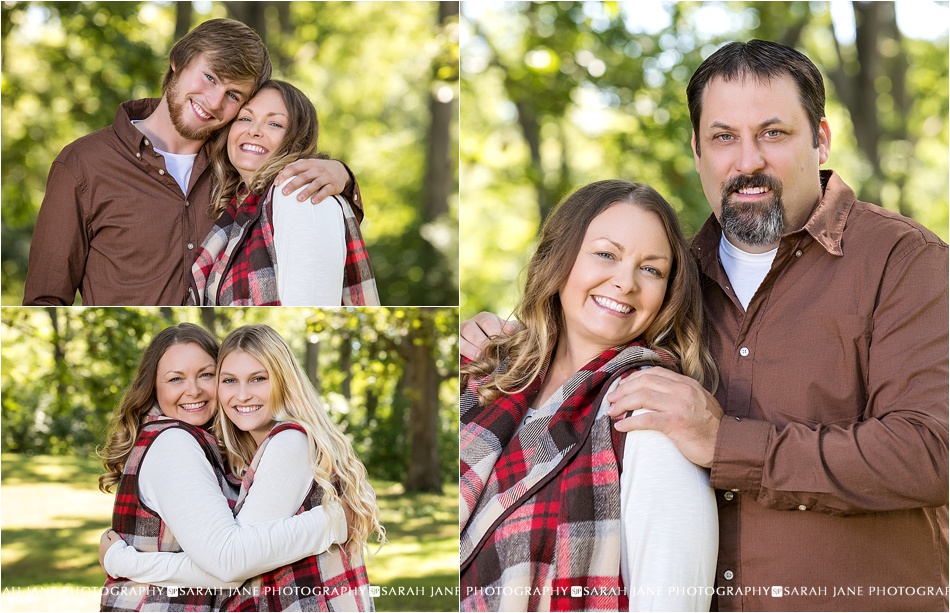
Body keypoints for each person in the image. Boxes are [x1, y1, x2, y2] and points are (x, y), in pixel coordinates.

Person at [462, 40, 949, 611]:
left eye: (773, 133)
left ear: (819, 139)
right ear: (697, 150)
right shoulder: (669, 279)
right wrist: (509, 343)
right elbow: (582, 357)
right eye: (723, 138)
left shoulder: (903, 259)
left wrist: (726, 443)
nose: (747, 162)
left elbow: (932, 453)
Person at [460, 180, 718, 612]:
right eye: (606, 254)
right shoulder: (484, 380)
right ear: (559, 257)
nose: (625, 282)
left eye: (651, 269)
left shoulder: (650, 414)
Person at [24, 18, 362, 306]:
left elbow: (306, 228)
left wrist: (342, 175)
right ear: (178, 61)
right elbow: (45, 300)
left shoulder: (238, 163)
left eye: (234, 95)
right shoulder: (84, 164)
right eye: (210, 77)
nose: (214, 102)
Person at [106, 324, 382, 611]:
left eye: (206, 375)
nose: (242, 395)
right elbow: (232, 562)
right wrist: (334, 522)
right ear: (152, 386)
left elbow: (231, 563)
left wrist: (123, 561)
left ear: (283, 380)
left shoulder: (288, 442)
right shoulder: (176, 441)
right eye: (175, 378)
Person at [190, 80, 378, 306]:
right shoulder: (238, 210)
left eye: (275, 124)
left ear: (297, 138)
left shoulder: (300, 195)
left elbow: (311, 303)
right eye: (246, 118)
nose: (254, 131)